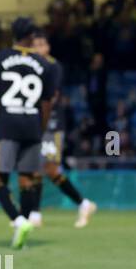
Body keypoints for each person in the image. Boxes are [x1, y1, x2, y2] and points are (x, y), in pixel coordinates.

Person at [0, 18, 60, 249]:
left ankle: (19, 220)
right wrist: (41, 129)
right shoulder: (45, 64)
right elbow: (47, 103)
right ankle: (24, 225)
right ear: (32, 36)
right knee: (28, 179)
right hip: (32, 125)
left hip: (7, 125)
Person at [31, 34, 98, 228]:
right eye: (34, 45)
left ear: (48, 47)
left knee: (50, 169)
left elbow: (52, 96)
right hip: (36, 123)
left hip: (52, 124)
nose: (38, 49)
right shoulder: (31, 68)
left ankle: (81, 204)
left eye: (41, 45)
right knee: (39, 168)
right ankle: (36, 213)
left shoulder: (54, 67)